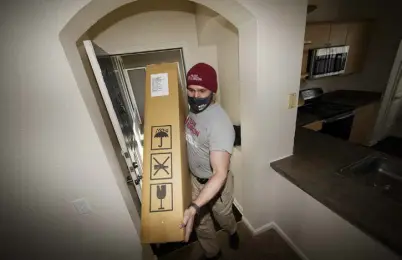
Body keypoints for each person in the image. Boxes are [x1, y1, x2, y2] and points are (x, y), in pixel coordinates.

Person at [180, 63, 239, 259]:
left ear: (213, 90)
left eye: (201, 91)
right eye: (191, 89)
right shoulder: (193, 112)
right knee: (200, 223)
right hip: (195, 179)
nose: (195, 96)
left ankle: (232, 231)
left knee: (223, 217)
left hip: (216, 184)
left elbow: (220, 172)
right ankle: (213, 253)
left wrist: (195, 205)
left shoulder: (220, 123)